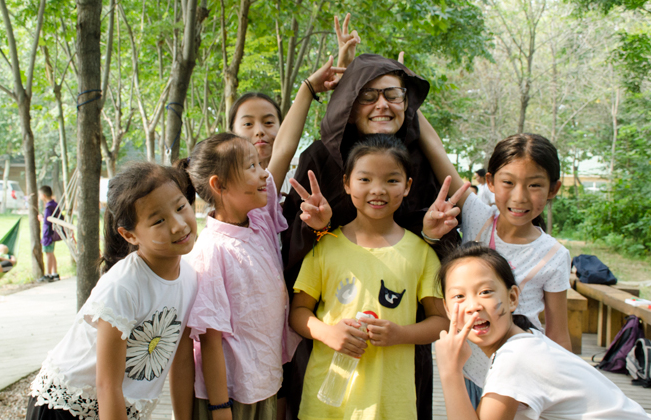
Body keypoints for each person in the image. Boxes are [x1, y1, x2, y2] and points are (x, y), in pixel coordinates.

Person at [280, 52, 458, 419]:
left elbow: (445, 236)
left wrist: (429, 235)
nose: (381, 105)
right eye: (368, 94)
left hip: (398, 354)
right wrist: (320, 229)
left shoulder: (418, 159)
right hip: (331, 347)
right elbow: (290, 244)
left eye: (393, 95)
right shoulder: (322, 159)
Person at [185, 57, 342, 420]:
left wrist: (309, 89)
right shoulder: (211, 252)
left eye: (260, 165)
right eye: (252, 167)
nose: (263, 174)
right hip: (234, 395)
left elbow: (284, 148)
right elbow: (209, 340)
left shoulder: (258, 220)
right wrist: (221, 407)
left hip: (266, 382)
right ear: (219, 185)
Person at [25, 162, 198, 420]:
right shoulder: (123, 286)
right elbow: (107, 385)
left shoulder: (190, 279)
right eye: (159, 220)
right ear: (129, 236)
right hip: (66, 408)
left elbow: (182, 363)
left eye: (181, 207)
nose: (178, 225)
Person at [420, 130, 572, 398]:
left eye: (534, 185)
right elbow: (435, 148)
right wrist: (404, 91)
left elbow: (558, 334)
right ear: (490, 181)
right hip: (469, 370)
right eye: (508, 182)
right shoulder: (478, 217)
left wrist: (566, 393)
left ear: (554, 189)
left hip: (520, 378)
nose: (519, 197)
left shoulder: (554, 254)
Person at [434, 243, 651, 420]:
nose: (473, 306)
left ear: (512, 298)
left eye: (485, 292)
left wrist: (450, 370)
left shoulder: (514, 358)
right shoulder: (526, 340)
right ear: (446, 308)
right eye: (459, 297)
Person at [37, 185, 60, 282]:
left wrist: (41, 219)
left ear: (43, 195)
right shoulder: (55, 204)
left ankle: (49, 274)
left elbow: (47, 221)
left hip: (48, 234)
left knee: (48, 254)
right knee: (51, 253)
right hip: (53, 233)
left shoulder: (48, 207)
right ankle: (55, 273)